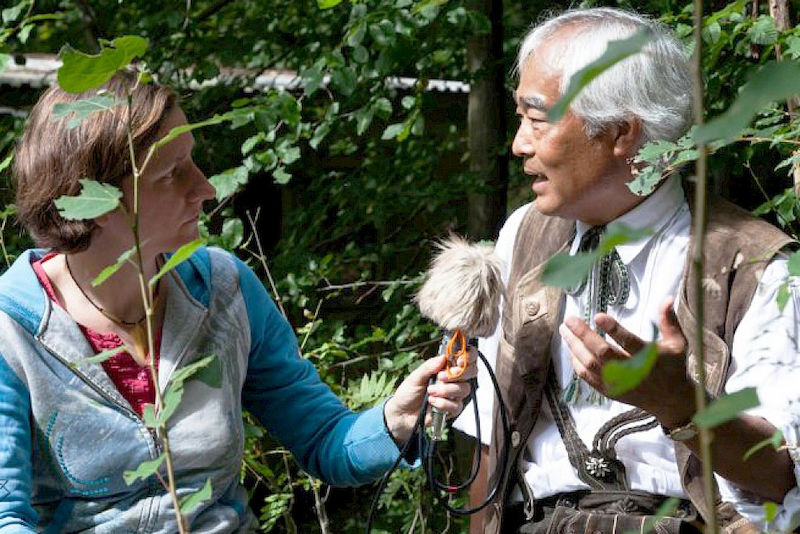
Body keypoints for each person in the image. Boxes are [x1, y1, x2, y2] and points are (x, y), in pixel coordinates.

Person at [0, 70, 475, 532]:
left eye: (195, 163)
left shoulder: (224, 289)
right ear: (96, 200)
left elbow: (326, 440)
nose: (205, 188)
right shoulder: (11, 330)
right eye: (173, 174)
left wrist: (399, 416)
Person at [459, 7, 800, 534]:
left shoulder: (752, 264)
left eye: (537, 117)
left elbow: (782, 480)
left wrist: (680, 404)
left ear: (621, 132)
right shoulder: (521, 236)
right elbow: (491, 441)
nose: (519, 143)